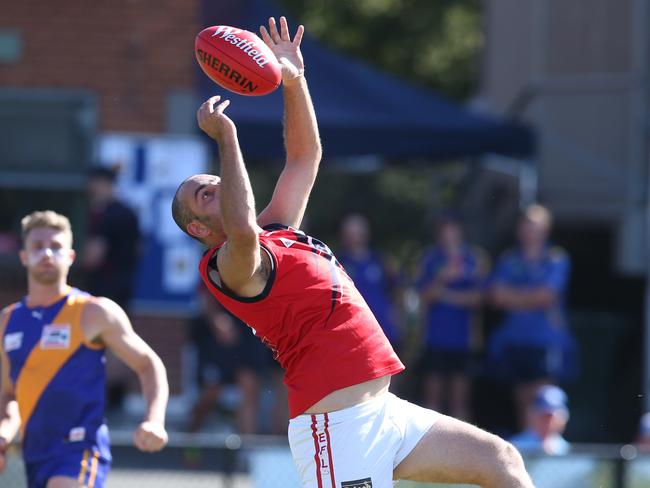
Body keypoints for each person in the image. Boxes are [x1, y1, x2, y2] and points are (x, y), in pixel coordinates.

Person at [171, 16, 533, 488]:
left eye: (218, 182)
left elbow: (305, 157)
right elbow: (241, 228)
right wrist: (228, 140)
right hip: (335, 429)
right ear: (199, 228)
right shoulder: (228, 263)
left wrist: (294, 80)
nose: (217, 185)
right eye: (204, 194)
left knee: (502, 462)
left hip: (386, 413)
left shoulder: (277, 231)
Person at [0, 210, 168, 488]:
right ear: (23, 256)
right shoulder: (8, 321)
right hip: (34, 453)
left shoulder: (93, 311)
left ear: (71, 256)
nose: (47, 254)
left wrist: (154, 420)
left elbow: (148, 363)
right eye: (38, 247)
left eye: (56, 247)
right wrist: (4, 436)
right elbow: (9, 395)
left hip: (80, 448)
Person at [487, 204, 577, 429]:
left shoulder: (555, 258)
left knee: (545, 400)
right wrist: (529, 297)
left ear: (545, 230)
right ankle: (528, 448)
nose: (530, 231)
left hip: (544, 340)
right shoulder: (510, 258)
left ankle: (544, 448)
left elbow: (547, 296)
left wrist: (514, 296)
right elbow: (496, 296)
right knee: (521, 401)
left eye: (535, 226)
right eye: (526, 226)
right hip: (515, 339)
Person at [416, 214, 487, 421]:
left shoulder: (475, 259)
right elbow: (425, 295)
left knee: (460, 400)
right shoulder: (429, 258)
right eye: (444, 230)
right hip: (434, 338)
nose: (449, 235)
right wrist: (442, 277)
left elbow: (480, 298)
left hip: (464, 340)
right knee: (432, 399)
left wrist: (446, 295)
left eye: (453, 229)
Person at [82, 166, 142, 411]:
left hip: (106, 287)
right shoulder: (128, 212)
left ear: (103, 183)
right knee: (120, 339)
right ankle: (117, 396)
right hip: (124, 285)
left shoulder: (107, 215)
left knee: (103, 340)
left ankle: (107, 397)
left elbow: (94, 255)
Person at [186, 283, 266, 434]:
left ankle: (248, 448)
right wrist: (215, 318)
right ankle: (190, 438)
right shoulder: (218, 260)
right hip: (219, 330)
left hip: (249, 327)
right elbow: (205, 290)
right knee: (211, 390)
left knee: (249, 385)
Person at [337, 213, 401, 348]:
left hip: (384, 331)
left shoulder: (383, 261)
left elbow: (397, 289)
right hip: (352, 334)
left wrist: (396, 315)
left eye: (358, 228)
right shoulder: (336, 263)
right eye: (350, 229)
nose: (355, 234)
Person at [509, 384, 570, 456]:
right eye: (543, 416)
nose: (548, 422)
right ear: (531, 414)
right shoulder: (513, 447)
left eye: (551, 417)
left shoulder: (568, 450)